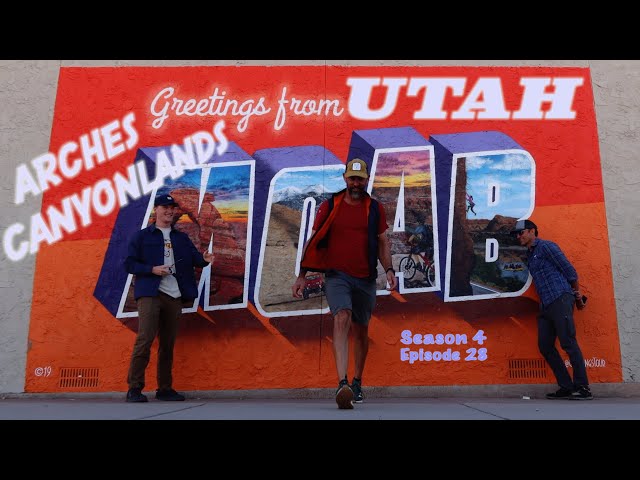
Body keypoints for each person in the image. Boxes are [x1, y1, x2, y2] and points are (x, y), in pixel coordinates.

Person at [292, 158, 398, 409]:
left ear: (366, 180)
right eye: (352, 178)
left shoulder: (374, 209)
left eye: (360, 179)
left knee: (361, 330)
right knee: (342, 316)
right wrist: (301, 275)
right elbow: (314, 240)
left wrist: (390, 269)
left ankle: (357, 381)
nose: (356, 183)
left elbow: (382, 241)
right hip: (337, 276)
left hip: (366, 278)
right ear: (345, 178)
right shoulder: (331, 206)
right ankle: (342, 383)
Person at [124, 193, 213, 403]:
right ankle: (134, 388)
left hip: (174, 295)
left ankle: (164, 388)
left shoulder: (181, 238)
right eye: (165, 207)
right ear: (157, 210)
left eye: (172, 208)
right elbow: (129, 264)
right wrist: (151, 269)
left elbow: (195, 260)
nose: (169, 211)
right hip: (150, 293)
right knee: (145, 339)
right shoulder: (142, 236)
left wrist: (205, 260)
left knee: (168, 343)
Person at [512, 219, 592, 400]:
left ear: (532, 231)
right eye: (517, 234)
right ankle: (566, 386)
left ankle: (583, 388)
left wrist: (577, 296)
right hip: (546, 304)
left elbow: (570, 271)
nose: (518, 236)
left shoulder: (547, 247)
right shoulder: (529, 256)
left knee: (568, 343)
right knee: (545, 345)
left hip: (560, 298)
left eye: (521, 232)